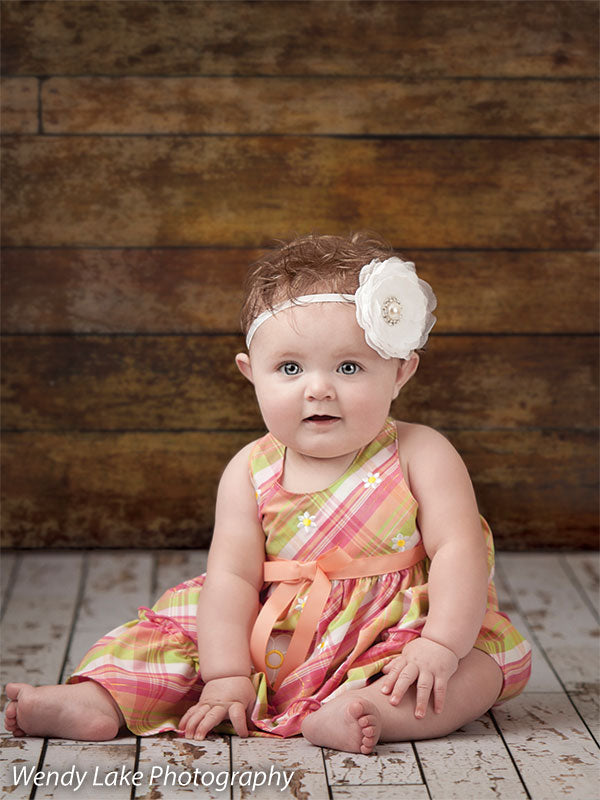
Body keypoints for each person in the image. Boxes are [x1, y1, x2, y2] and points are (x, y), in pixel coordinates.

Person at [4, 233, 531, 755]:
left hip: (391, 632)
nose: (318, 388)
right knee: (176, 637)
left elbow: (459, 551)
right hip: (267, 633)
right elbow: (232, 576)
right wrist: (228, 674)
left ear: (400, 372)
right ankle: (101, 701)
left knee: (479, 665)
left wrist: (439, 643)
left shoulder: (421, 451)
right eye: (290, 368)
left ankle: (369, 712)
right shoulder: (249, 470)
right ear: (250, 373)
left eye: (349, 368)